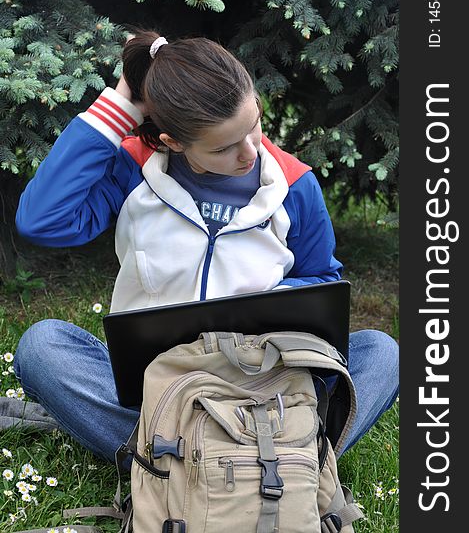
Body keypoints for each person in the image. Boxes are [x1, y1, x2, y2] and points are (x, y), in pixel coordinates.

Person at [14, 30, 398, 463]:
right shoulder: (133, 170)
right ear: (171, 142)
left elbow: (322, 280)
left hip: (265, 390)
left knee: (382, 353)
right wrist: (121, 106)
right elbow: (42, 221)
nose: (250, 153)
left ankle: (181, 463)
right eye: (223, 148)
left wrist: (267, 305)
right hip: (158, 392)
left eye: (254, 126)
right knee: (42, 347)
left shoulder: (294, 184)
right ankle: (267, 464)